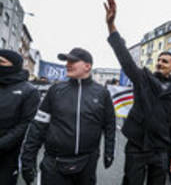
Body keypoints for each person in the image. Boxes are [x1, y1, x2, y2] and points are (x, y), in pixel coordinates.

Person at [105, 0, 171, 185]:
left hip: (161, 151)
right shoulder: (144, 79)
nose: (160, 63)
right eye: (159, 60)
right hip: (137, 147)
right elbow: (124, 58)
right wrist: (111, 25)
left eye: (165, 61)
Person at [20, 48, 116, 185]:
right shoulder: (55, 90)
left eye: (73, 61)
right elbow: (38, 126)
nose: (67, 64)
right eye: (67, 61)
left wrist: (109, 151)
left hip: (87, 163)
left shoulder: (102, 93)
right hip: (54, 163)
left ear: (87, 66)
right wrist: (28, 158)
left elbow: (110, 125)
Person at [0, 49, 40, 185]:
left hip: (8, 156)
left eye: (1, 62)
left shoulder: (29, 91)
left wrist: (2, 143)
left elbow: (26, 124)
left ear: (14, 65)